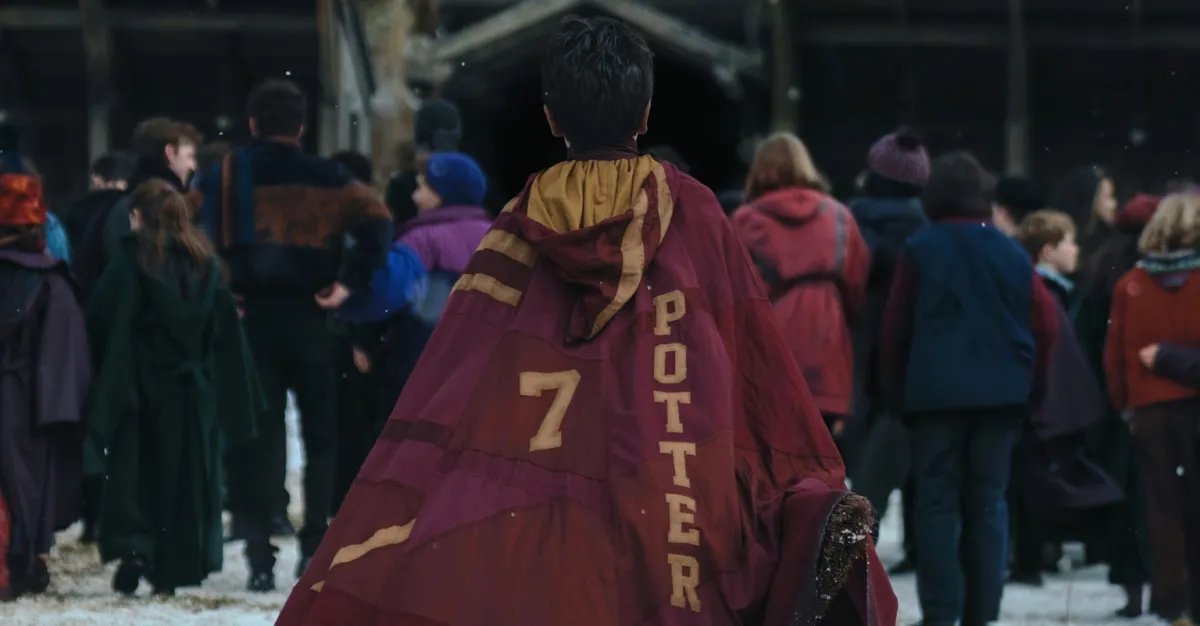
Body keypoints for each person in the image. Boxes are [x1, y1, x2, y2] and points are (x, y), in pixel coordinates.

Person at [277, 16, 895, 626]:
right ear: (645, 113)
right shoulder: (695, 213)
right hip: (669, 489)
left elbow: (458, 366)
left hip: (544, 503)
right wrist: (801, 475)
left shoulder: (519, 224)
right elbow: (754, 358)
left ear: (551, 117)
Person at [195, 79, 393, 591]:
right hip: (313, 316)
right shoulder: (330, 178)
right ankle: (314, 546)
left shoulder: (225, 174)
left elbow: (190, 231)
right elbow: (378, 222)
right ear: (301, 126)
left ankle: (260, 556)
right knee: (321, 435)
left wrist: (224, 288)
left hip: (251, 318)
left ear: (252, 123)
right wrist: (348, 282)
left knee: (258, 437)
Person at [880, 151, 1058, 626]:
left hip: (934, 396)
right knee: (988, 503)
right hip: (1001, 395)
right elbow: (1045, 324)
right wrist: (1031, 385)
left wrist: (897, 392)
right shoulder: (1010, 251)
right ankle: (982, 612)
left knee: (936, 504)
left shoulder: (921, 248)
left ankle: (942, 611)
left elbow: (896, 327)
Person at [83, 180, 261, 597]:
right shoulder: (206, 265)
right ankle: (174, 562)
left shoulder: (131, 260)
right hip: (192, 390)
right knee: (184, 476)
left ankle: (136, 546)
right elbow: (223, 331)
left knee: (136, 470)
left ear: (138, 216)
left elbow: (102, 316)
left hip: (140, 384)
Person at [731, 132, 868, 436]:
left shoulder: (744, 220)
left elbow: (730, 294)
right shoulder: (840, 217)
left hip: (769, 351)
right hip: (827, 347)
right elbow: (857, 290)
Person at [1106, 193, 1200, 626]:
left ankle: (1171, 604)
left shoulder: (1131, 284)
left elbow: (1114, 355)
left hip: (1150, 410)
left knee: (1162, 511)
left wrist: (1124, 404)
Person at [0, 159, 90, 600]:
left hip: (22, 391)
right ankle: (20, 562)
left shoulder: (49, 281)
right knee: (25, 486)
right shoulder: (50, 282)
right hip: (27, 400)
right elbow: (65, 355)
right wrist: (61, 408)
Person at [845, 127, 930, 575]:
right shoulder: (926, 233)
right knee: (915, 463)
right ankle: (917, 546)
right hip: (909, 361)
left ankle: (856, 559)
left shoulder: (848, 225)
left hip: (854, 354)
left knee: (862, 470)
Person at [1074, 192, 1162, 617]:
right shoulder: (1147, 280)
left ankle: (1133, 592)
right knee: (1164, 497)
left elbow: (1091, 343)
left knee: (1128, 502)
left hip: (1113, 406)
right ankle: (1170, 589)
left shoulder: (1103, 273)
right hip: (1159, 399)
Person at [401, 151, 493, 324]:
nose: (415, 197)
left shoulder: (421, 238)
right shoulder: (498, 234)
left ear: (443, 193)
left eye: (421, 187)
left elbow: (395, 295)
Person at [1050, 165, 1118, 264]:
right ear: (1090, 198)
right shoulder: (1064, 239)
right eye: (1108, 197)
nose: (1114, 204)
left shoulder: (1108, 241)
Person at [1017, 210, 1080, 307]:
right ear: (1048, 252)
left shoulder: (1026, 282)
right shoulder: (1052, 292)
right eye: (1071, 243)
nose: (1076, 250)